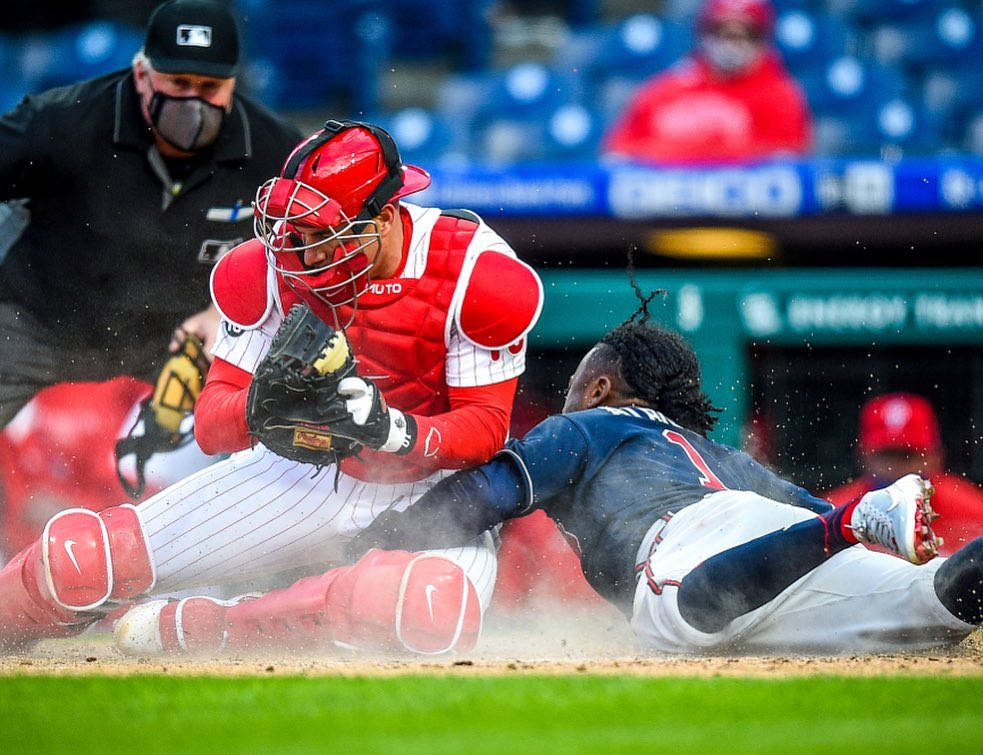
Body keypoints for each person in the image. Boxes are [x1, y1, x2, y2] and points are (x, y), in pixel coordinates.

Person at [0, 119, 544, 655]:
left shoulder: (478, 272)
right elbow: (213, 426)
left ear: (380, 219)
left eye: (321, 237)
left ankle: (213, 627)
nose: (303, 256)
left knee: (421, 610)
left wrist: (390, 428)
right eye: (296, 234)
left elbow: (485, 432)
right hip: (306, 472)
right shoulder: (264, 268)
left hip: (437, 492)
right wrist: (259, 409)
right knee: (83, 560)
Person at [340, 311, 982, 655]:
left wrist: (367, 541)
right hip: (783, 545)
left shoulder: (590, 423)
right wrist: (837, 529)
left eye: (572, 388)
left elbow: (481, 499)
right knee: (940, 600)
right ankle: (851, 524)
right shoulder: (712, 452)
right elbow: (800, 512)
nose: (566, 400)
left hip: (699, 550)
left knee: (681, 619)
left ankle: (851, 521)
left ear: (597, 388)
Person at [0, 0, 303, 557]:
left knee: (296, 406)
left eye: (210, 87)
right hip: (37, 320)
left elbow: (313, 255)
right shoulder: (63, 121)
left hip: (183, 341)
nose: (192, 100)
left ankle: (278, 577)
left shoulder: (275, 152)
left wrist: (227, 313)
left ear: (234, 84)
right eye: (177, 81)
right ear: (142, 74)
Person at [602, 0, 811, 164]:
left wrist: (682, 153)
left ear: (763, 39)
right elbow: (618, 153)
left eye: (745, 35)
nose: (731, 45)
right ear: (704, 34)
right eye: (722, 33)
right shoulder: (667, 89)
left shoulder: (780, 95)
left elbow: (784, 159)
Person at [826, 392, 983, 556]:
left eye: (908, 455)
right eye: (887, 455)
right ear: (863, 457)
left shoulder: (974, 512)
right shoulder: (833, 515)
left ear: (936, 456)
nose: (896, 467)